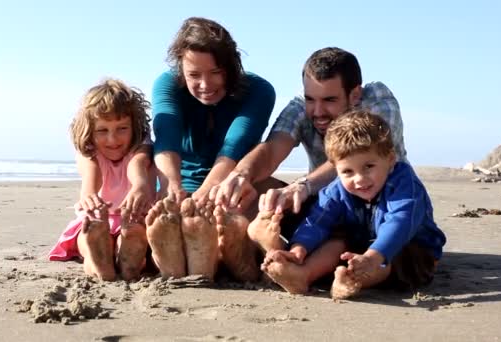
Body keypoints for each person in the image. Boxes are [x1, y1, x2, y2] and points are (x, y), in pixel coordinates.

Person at [210, 47, 408, 246]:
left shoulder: (377, 100)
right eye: (311, 99)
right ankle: (250, 248)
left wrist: (304, 185)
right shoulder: (300, 107)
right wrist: (242, 173)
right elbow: (272, 149)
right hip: (326, 206)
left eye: (330, 100)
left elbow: (356, 157)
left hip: (384, 206)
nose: (318, 111)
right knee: (254, 189)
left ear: (354, 95)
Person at [260, 110, 446, 299]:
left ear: (390, 160)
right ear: (336, 169)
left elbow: (400, 221)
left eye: (369, 167)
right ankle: (303, 275)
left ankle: (352, 281)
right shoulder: (338, 189)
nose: (359, 179)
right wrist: (298, 249)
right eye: (348, 171)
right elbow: (317, 220)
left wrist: (374, 256)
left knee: (386, 257)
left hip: (412, 254)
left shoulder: (403, 183)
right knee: (336, 242)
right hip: (361, 248)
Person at [145, 17, 276, 282]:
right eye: (194, 75)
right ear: (181, 70)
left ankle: (211, 252)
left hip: (234, 187)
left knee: (265, 206)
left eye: (216, 72)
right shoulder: (166, 84)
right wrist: (172, 187)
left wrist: (203, 197)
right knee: (166, 220)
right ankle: (203, 254)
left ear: (232, 66)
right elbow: (166, 136)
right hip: (182, 187)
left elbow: (234, 146)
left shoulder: (258, 90)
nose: (205, 85)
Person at [48, 78, 155, 281]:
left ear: (135, 126)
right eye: (102, 130)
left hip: (132, 219)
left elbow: (138, 164)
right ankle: (98, 260)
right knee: (88, 235)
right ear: (89, 131)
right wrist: (88, 194)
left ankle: (128, 259)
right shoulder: (89, 153)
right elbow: (91, 173)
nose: (112, 140)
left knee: (134, 233)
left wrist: (140, 184)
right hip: (97, 219)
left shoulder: (141, 147)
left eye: (122, 129)